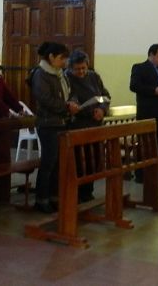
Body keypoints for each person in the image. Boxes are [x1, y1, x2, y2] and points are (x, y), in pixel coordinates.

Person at [30, 42, 78, 213]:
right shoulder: (40, 74)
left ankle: (54, 197)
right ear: (51, 57)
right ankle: (41, 200)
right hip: (48, 124)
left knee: (59, 163)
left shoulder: (59, 74)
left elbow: (70, 92)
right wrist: (66, 107)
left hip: (62, 122)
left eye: (65, 58)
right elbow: (45, 99)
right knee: (49, 162)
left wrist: (73, 102)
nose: (64, 62)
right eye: (61, 58)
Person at [66, 49, 111, 203]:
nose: (81, 72)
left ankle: (88, 191)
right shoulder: (67, 78)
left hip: (95, 123)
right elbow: (68, 98)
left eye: (84, 68)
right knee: (80, 160)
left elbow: (105, 96)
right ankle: (77, 192)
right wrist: (73, 105)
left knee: (94, 158)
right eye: (77, 69)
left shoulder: (94, 76)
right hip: (78, 124)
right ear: (71, 67)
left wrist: (102, 109)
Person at [130, 43, 158, 180]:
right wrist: (154, 91)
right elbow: (134, 86)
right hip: (148, 112)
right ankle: (143, 175)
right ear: (151, 55)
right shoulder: (140, 68)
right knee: (147, 144)